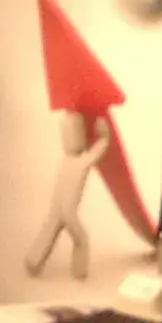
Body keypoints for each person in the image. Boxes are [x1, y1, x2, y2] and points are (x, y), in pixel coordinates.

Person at [24, 108, 111, 280]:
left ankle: (33, 260)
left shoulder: (68, 162)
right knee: (81, 239)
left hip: (58, 208)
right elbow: (102, 144)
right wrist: (103, 133)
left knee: (49, 230)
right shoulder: (81, 161)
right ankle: (79, 271)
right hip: (67, 210)